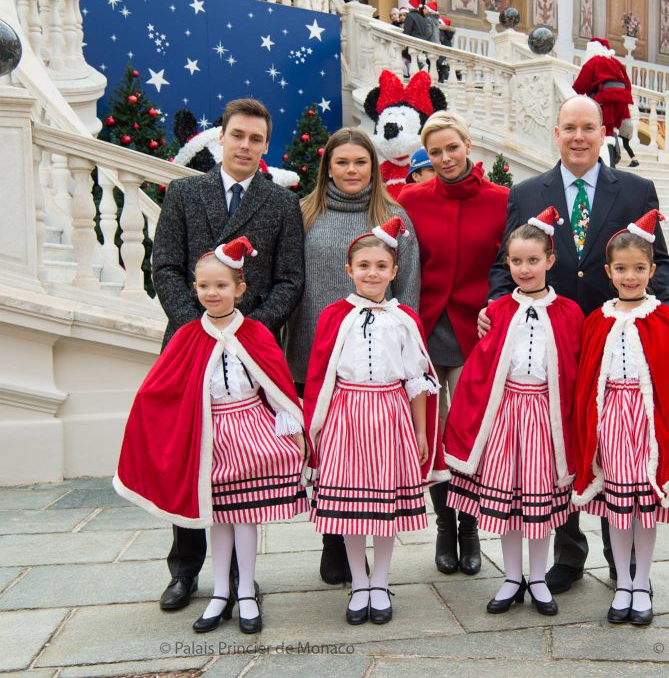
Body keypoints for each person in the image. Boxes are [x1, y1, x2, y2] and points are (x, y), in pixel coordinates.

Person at [484, 94, 669, 595]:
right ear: (556, 133)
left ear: (603, 134)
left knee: (613, 441)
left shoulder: (637, 189)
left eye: (588, 128)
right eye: (569, 127)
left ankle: (624, 562)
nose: (579, 137)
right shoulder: (529, 193)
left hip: (613, 336)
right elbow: (503, 261)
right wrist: (494, 303)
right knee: (565, 442)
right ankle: (569, 555)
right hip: (552, 332)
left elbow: (659, 258)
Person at [151, 98, 304, 613]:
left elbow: (289, 279)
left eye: (256, 139)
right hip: (189, 343)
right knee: (191, 452)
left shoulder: (281, 203)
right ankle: (185, 569)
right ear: (222, 138)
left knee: (242, 465)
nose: (245, 145)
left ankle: (241, 577)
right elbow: (166, 266)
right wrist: (198, 323)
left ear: (266, 146)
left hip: (248, 353)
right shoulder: (184, 192)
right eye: (238, 135)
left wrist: (246, 331)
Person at [116, 237, 308, 635]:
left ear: (240, 289)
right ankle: (220, 592)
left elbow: (274, 382)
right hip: (208, 438)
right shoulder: (187, 336)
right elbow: (162, 388)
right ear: (195, 289)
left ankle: (247, 593)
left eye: (221, 286)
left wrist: (290, 420)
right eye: (203, 286)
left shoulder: (255, 333)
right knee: (217, 516)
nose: (211, 293)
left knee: (246, 517)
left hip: (250, 434)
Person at [284, 126, 420, 586]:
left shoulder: (394, 215)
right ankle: (335, 542)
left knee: (372, 462)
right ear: (327, 168)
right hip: (315, 355)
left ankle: (372, 557)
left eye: (359, 162)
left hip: (376, 368)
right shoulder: (305, 213)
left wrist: (404, 355)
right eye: (341, 162)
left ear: (373, 166)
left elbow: (409, 291)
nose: (351, 170)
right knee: (332, 460)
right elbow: (290, 280)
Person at [444, 208, 584, 617]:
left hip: (546, 417)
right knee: (508, 506)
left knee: (538, 504)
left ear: (550, 261)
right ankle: (510, 577)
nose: (525, 268)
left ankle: (538, 579)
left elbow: (574, 367)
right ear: (508, 262)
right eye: (517, 261)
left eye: (533, 260)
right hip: (506, 416)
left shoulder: (569, 311)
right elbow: (481, 368)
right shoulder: (497, 310)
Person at [303, 217, 441, 626]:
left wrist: (420, 431)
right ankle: (358, 581)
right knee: (350, 508)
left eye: (381, 266)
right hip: (346, 417)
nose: (372, 273)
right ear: (349, 270)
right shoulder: (333, 316)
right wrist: (319, 428)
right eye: (364, 265)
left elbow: (417, 380)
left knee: (383, 506)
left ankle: (380, 581)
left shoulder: (404, 319)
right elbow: (320, 375)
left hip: (390, 415)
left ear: (394, 271)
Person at [571, 210, 669, 626]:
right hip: (610, 420)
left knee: (645, 506)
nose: (631, 277)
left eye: (639, 269)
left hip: (648, 424)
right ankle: (623, 582)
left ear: (652, 270)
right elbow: (586, 380)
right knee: (616, 506)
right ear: (609, 271)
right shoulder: (598, 319)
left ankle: (642, 581)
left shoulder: (664, 319)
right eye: (622, 269)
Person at [398, 111, 508, 577]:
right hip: (423, 327)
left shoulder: (503, 199)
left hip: (474, 330)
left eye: (452, 148)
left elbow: (510, 262)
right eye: (435, 152)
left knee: (470, 430)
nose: (444, 158)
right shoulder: (410, 198)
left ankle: (472, 527)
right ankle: (445, 524)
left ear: (468, 145)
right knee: (432, 432)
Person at [572, 38, 634, 167]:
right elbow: (628, 83)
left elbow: (580, 85)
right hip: (622, 100)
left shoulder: (593, 61)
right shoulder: (616, 62)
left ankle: (608, 165)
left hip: (606, 100)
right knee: (610, 131)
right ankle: (611, 162)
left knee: (604, 132)